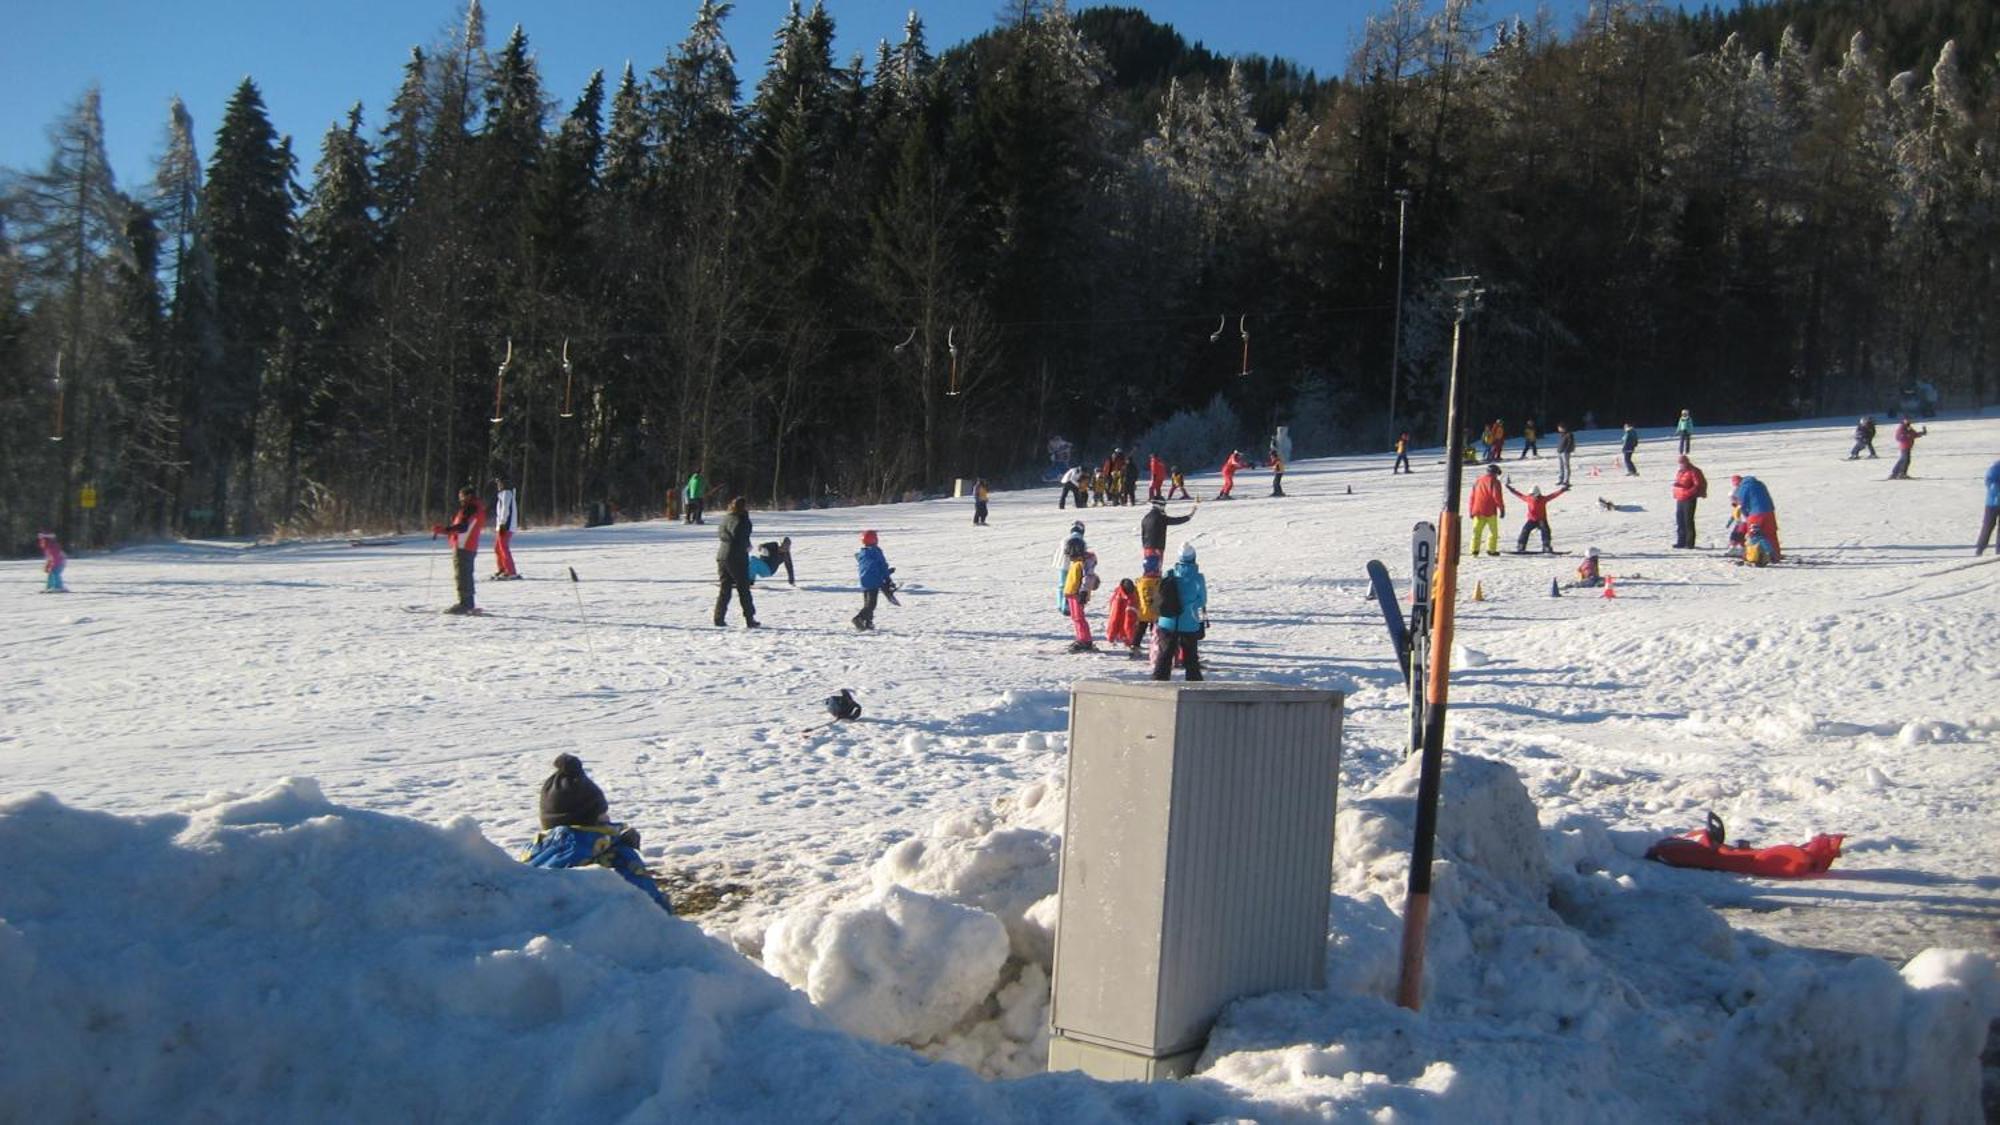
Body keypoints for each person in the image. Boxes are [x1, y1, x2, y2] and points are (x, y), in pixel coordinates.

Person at [522, 753, 672, 912]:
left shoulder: (532, 854)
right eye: (602, 813)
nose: (608, 817)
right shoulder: (618, 856)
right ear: (593, 819)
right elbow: (651, 906)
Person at [1151, 542, 1207, 681]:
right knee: (1190, 657)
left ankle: (1159, 682)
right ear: (1193, 558)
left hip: (1167, 621)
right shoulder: (1198, 578)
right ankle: (1194, 684)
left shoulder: (1169, 574)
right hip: (1189, 622)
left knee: (1164, 655)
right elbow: (1202, 601)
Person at [432, 485, 486, 614]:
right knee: (466, 574)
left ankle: (465, 604)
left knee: (462, 575)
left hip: (464, 546)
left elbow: (462, 527)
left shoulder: (470, 507)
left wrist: (444, 530)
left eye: (461, 497)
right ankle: (468, 602)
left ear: (468, 496)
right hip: (468, 545)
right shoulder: (476, 507)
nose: (460, 500)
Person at [713, 496, 757, 627]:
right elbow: (740, 536)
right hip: (736, 557)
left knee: (725, 588)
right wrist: (746, 545)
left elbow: (722, 534)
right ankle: (750, 618)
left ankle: (718, 618)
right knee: (743, 588)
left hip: (722, 556)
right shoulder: (741, 520)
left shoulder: (726, 518)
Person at [1060, 526, 1099, 653]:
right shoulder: (1077, 562)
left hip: (1077, 594)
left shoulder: (1083, 563)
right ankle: (1081, 638)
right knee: (1075, 618)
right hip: (1072, 593)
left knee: (1079, 618)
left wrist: (1083, 591)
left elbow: (1088, 578)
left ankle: (1085, 640)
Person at [1505, 480, 1569, 553]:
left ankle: (1546, 546)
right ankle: (1521, 546)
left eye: (1534, 495)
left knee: (1546, 531)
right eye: (1531, 495)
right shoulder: (1528, 498)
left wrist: (1562, 490)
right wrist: (1511, 489)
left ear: (1538, 494)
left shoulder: (1543, 499)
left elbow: (1553, 495)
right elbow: (1519, 495)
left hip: (1541, 520)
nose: (1532, 496)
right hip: (1531, 520)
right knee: (1525, 531)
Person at [1729, 475, 1781, 562]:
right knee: (1771, 533)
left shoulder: (1743, 487)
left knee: (1754, 535)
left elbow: (1742, 504)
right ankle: (1776, 555)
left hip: (1756, 513)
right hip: (1769, 512)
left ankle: (1760, 554)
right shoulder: (1760, 484)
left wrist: (1745, 516)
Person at [1140, 495, 1195, 574]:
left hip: (1147, 547)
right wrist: (1189, 516)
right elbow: (1175, 521)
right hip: (1157, 547)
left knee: (1148, 568)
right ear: (1159, 505)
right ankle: (1154, 585)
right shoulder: (1159, 517)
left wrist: (1145, 545)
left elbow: (1143, 534)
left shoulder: (1146, 517)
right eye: (1163, 505)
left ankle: (1147, 584)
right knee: (1155, 570)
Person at [854, 530, 892, 631]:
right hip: (874, 580)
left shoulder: (862, 552)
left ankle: (868, 623)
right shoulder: (876, 551)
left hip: (864, 580)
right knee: (871, 604)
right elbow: (882, 565)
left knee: (867, 603)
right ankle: (859, 618)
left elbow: (870, 566)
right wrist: (887, 578)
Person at [1467, 464, 1506, 557]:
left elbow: (1472, 496)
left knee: (1476, 531)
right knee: (1493, 532)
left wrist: (1471, 510)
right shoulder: (1495, 482)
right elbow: (1497, 497)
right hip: (1490, 511)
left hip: (1477, 509)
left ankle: (1474, 550)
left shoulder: (1478, 481)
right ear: (1495, 473)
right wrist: (1502, 508)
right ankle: (1491, 550)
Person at [1671, 455, 1709, 549]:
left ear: (1687, 462)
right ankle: (1681, 541)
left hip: (1689, 498)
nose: (1681, 465)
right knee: (1680, 520)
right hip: (1680, 497)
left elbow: (1698, 484)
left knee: (1688, 520)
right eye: (1680, 463)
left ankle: (1689, 543)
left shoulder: (1694, 471)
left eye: (1682, 462)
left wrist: (1689, 492)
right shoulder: (1680, 472)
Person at [1132, 553, 1163, 659]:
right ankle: (1156, 647)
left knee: (1140, 629)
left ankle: (1134, 646)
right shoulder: (1159, 582)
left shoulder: (1140, 581)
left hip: (1143, 612)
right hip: (1156, 612)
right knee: (1155, 631)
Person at [491, 475, 520, 580]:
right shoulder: (503, 494)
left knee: (503, 547)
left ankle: (511, 571)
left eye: (499, 483)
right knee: (498, 547)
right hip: (502, 525)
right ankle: (503, 568)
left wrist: (502, 523)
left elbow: (505, 510)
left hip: (506, 526)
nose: (498, 485)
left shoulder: (506, 494)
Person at [1105, 577, 1139, 650]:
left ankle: (1130, 640)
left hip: (1129, 610)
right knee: (1116, 622)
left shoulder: (1134, 594)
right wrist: (1111, 636)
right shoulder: (1118, 597)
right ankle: (1127, 640)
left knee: (1129, 624)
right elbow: (1113, 619)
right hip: (1120, 609)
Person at [1977, 460, 2000, 556]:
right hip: (1993, 503)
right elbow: (1990, 481)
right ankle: (1980, 548)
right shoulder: (1996, 467)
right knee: (1988, 526)